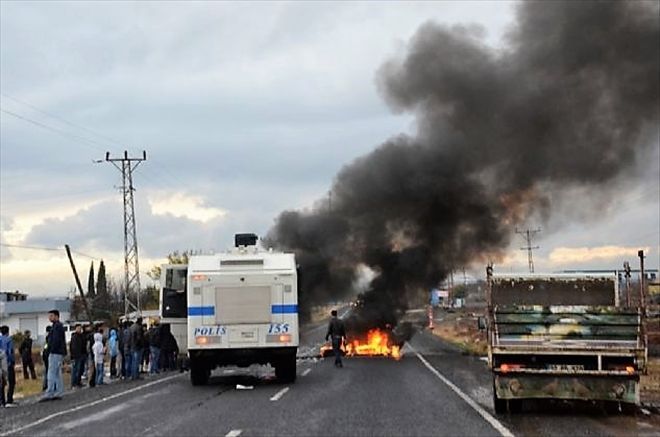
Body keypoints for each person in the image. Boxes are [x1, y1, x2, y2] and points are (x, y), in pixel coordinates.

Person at [40, 309, 65, 401]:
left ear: (56, 316)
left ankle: (49, 392)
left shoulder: (57, 327)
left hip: (55, 352)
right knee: (57, 373)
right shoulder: (56, 326)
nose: (49, 318)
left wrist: (49, 350)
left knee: (51, 372)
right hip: (58, 352)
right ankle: (59, 391)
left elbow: (55, 341)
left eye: (51, 316)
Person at [0, 326, 16, 407]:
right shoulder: (9, 339)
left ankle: (1, 401)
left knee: (2, 382)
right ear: (8, 331)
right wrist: (12, 361)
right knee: (11, 381)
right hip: (7, 363)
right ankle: (9, 400)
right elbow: (10, 352)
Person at [42, 325, 52, 391]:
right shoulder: (48, 337)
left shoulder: (44, 337)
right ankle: (46, 385)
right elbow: (46, 347)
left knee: (46, 370)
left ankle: (45, 385)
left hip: (44, 355)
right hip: (47, 355)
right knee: (48, 370)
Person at [0, 343, 7, 408]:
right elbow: (4, 366)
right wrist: (5, 374)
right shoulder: (2, 353)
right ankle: (2, 402)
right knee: (1, 387)